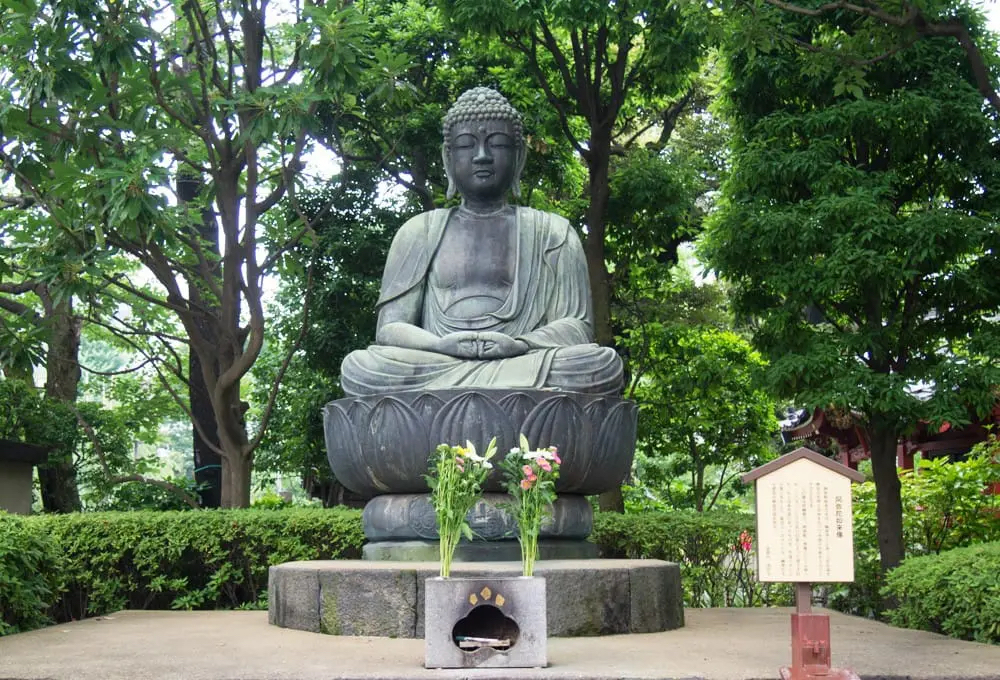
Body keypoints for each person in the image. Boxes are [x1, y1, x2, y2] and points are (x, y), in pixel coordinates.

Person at [340, 87, 623, 397]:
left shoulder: (553, 233)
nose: (482, 156)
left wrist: (520, 344)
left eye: (498, 144)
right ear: (447, 158)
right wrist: (440, 344)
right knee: (362, 366)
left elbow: (577, 328)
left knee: (598, 363)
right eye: (466, 145)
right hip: (437, 361)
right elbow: (390, 329)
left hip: (523, 362)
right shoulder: (418, 232)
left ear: (519, 156)